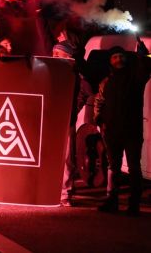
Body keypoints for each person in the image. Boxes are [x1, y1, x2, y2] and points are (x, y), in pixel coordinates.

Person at [93, 39, 148, 216]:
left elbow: (146, 70)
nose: (118, 59)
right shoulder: (106, 82)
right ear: (110, 61)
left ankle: (134, 205)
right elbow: (99, 102)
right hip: (112, 131)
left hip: (132, 131)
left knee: (133, 167)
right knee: (113, 167)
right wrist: (99, 119)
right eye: (115, 57)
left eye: (121, 56)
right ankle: (112, 201)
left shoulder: (135, 79)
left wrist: (144, 55)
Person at [53, 41, 94, 206]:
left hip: (66, 123)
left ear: (68, 56)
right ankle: (47, 190)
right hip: (48, 122)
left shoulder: (76, 76)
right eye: (53, 52)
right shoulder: (47, 71)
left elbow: (87, 91)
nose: (53, 56)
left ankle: (65, 193)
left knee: (66, 159)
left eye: (58, 53)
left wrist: (73, 109)